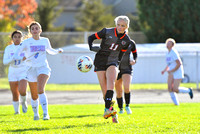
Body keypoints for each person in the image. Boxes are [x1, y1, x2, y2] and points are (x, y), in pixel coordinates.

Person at [88, 15, 134, 123]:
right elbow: (91, 37)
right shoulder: (106, 32)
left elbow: (121, 54)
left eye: (122, 25)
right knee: (105, 92)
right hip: (100, 61)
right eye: (118, 25)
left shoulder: (127, 40)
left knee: (111, 84)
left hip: (112, 62)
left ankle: (106, 109)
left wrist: (116, 64)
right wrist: (91, 47)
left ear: (126, 26)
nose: (119, 27)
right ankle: (112, 111)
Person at [14, 21, 63, 120]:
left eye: (37, 28)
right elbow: (17, 53)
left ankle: (46, 114)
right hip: (30, 69)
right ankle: (36, 114)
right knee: (34, 94)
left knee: (40, 89)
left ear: (40, 30)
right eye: (33, 29)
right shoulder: (26, 42)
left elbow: (50, 50)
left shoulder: (45, 40)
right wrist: (22, 57)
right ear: (30, 31)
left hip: (43, 68)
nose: (35, 30)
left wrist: (57, 51)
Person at [161, 38, 193, 105]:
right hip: (171, 72)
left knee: (175, 89)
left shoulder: (174, 52)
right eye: (167, 43)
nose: (167, 44)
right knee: (169, 88)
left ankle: (188, 90)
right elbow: (169, 64)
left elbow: (179, 63)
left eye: (169, 43)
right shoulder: (167, 53)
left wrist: (172, 70)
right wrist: (164, 70)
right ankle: (176, 104)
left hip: (177, 72)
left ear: (172, 45)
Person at [3, 30, 28, 114]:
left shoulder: (25, 47)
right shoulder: (9, 48)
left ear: (22, 38)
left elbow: (28, 57)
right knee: (14, 93)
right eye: (15, 37)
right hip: (13, 72)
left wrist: (23, 58)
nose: (17, 39)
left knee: (22, 90)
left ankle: (24, 102)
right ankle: (16, 111)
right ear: (12, 38)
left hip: (23, 71)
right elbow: (5, 62)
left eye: (19, 37)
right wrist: (12, 59)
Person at [115, 38, 137, 114]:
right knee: (118, 90)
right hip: (116, 68)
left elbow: (135, 54)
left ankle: (127, 106)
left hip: (127, 68)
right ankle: (121, 108)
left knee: (126, 87)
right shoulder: (114, 42)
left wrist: (134, 60)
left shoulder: (131, 43)